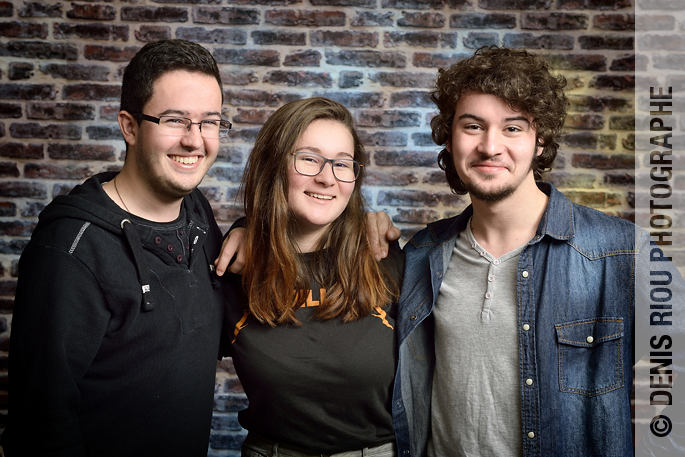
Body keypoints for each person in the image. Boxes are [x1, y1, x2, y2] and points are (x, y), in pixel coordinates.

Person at [361, 46, 685, 456]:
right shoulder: (422, 253)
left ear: (540, 139)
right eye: (473, 126)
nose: (490, 146)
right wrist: (250, 228)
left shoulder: (620, 252)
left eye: (513, 128)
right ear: (450, 136)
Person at [2, 39, 231, 456]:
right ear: (129, 126)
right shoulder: (71, 250)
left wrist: (254, 229)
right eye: (175, 120)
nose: (195, 141)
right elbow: (39, 427)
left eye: (210, 122)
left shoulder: (197, 215)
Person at [220, 97, 404, 456]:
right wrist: (248, 229)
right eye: (309, 158)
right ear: (274, 165)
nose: (327, 177)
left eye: (342, 164)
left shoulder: (383, 256)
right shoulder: (234, 268)